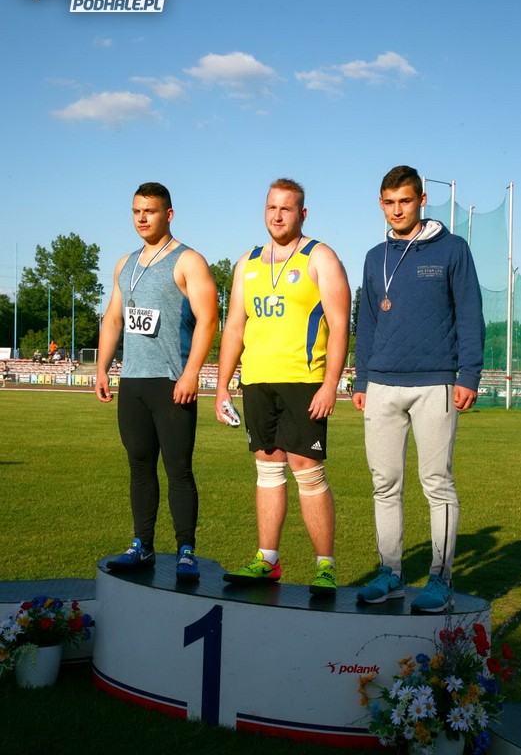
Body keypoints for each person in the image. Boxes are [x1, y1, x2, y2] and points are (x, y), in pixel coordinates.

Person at [352, 165, 485, 613]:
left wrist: (468, 375)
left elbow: (470, 314)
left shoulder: (453, 249)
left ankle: (440, 579)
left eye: (405, 201)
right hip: (381, 385)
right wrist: (362, 378)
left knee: (437, 484)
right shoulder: (375, 256)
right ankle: (389, 573)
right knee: (384, 485)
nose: (397, 210)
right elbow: (367, 322)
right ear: (380, 204)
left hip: (436, 383)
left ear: (422, 200)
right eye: (389, 203)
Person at [215, 178, 351, 595]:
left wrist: (331, 383)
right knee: (267, 467)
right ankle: (267, 561)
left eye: (286, 208)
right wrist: (222, 386)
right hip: (257, 380)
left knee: (307, 470)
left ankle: (325, 567)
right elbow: (234, 326)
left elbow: (340, 323)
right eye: (271, 207)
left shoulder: (320, 256)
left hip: (304, 380)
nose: (277, 215)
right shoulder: (248, 262)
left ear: (302, 214)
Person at [96, 182, 218, 582]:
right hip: (133, 382)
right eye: (136, 211)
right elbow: (114, 318)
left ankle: (186, 551)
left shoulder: (188, 261)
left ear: (169, 214)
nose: (142, 218)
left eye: (149, 211)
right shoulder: (125, 263)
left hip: (171, 381)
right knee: (139, 467)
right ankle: (142, 545)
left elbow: (209, 319)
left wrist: (191, 372)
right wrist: (102, 368)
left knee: (178, 469)